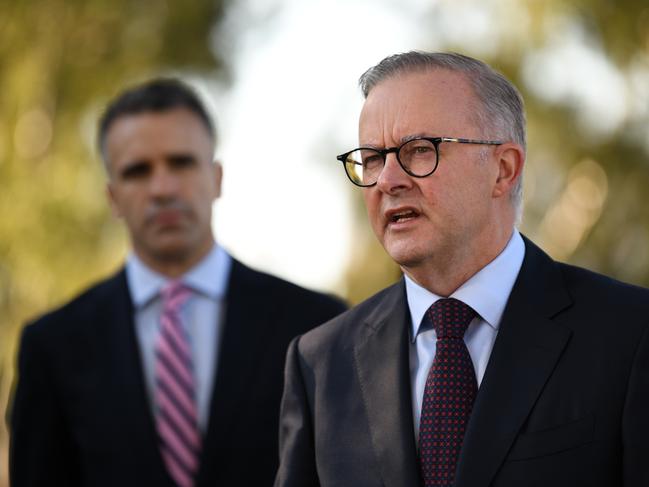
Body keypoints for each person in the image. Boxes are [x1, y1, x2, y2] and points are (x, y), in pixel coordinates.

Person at [275, 51, 649, 487]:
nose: (387, 181)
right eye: (372, 159)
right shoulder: (320, 364)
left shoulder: (630, 334)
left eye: (418, 150)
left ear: (503, 170)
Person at [9, 78, 346, 487]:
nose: (163, 188)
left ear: (217, 177)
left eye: (181, 163)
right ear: (113, 197)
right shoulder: (53, 346)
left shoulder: (318, 327)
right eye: (137, 171)